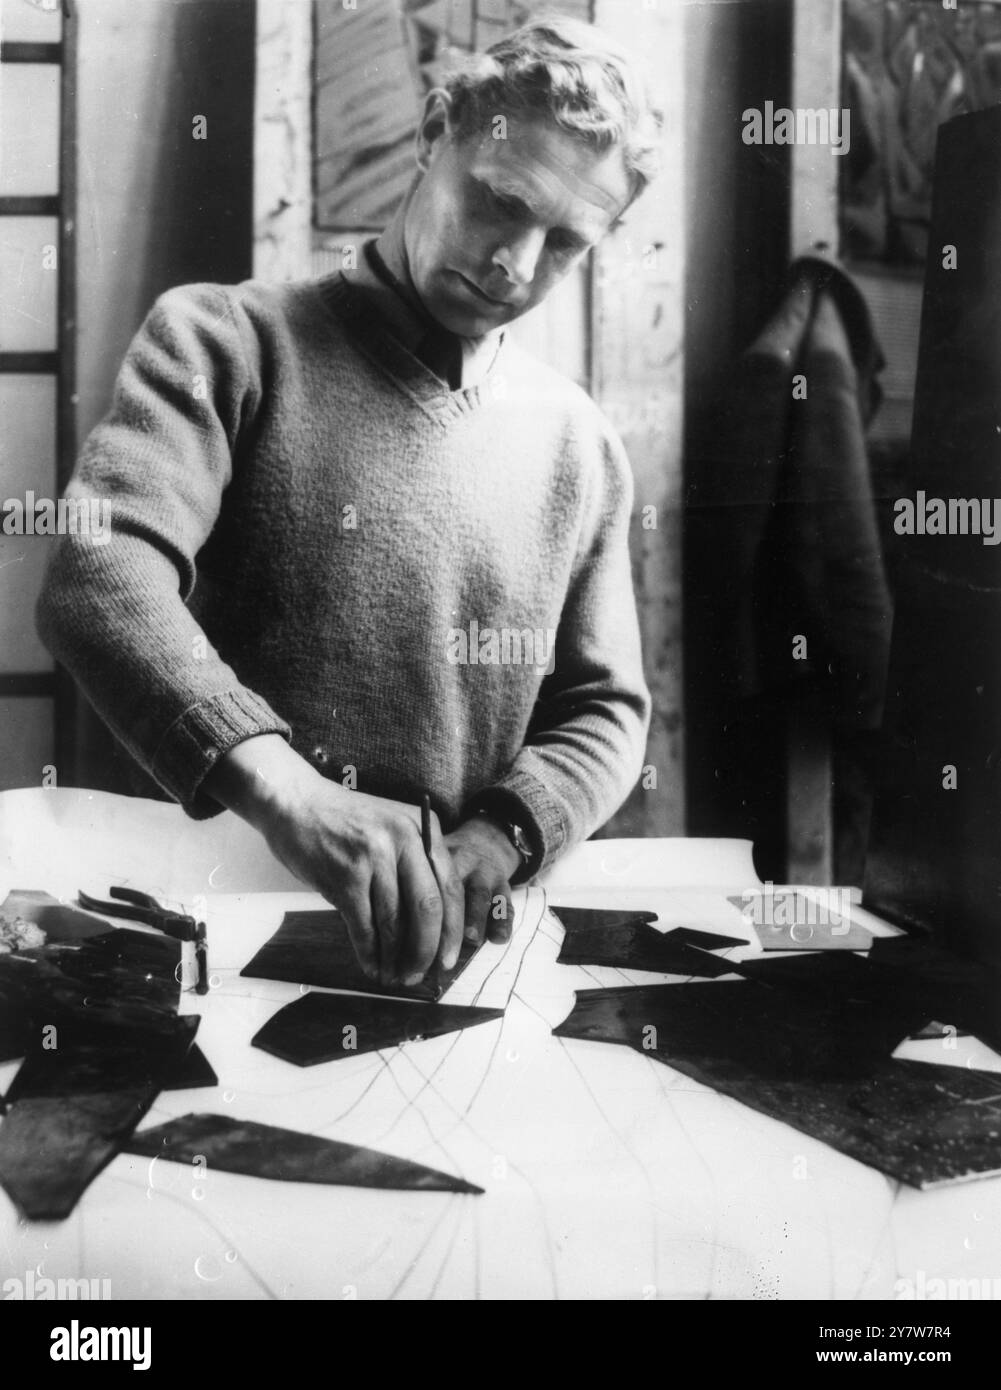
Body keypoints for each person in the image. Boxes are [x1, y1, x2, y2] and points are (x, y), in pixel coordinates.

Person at [37, 17, 660, 989]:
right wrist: (289, 792)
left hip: (445, 953)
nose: (513, 265)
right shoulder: (224, 341)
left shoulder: (577, 444)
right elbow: (99, 573)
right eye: (499, 202)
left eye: (564, 245)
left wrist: (500, 837)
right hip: (200, 937)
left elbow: (604, 709)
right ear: (431, 135)